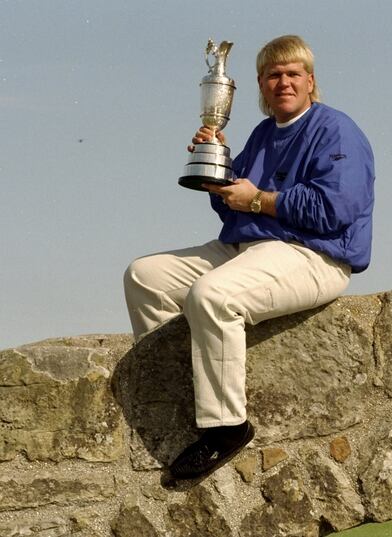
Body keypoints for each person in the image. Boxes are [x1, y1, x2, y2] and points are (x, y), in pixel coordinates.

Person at [123, 35, 375, 480]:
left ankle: (226, 429)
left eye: (293, 73)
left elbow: (336, 209)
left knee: (213, 296)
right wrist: (214, 167)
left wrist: (259, 199)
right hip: (249, 247)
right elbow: (232, 206)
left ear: (311, 81)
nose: (284, 82)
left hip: (314, 254)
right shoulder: (262, 134)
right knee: (145, 276)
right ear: (260, 85)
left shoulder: (336, 130)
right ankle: (181, 397)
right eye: (273, 75)